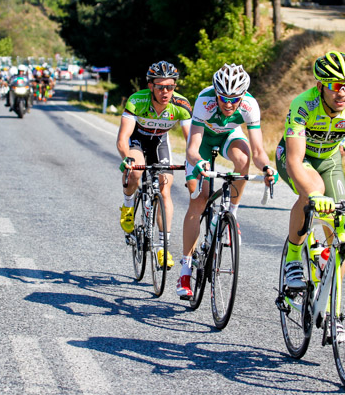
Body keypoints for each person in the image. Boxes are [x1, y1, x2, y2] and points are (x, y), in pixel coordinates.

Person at [276, 51, 345, 294]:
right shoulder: (303, 104)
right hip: (297, 157)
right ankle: (293, 258)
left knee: (341, 219)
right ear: (320, 85)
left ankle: (330, 306)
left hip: (330, 160)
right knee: (313, 191)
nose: (342, 92)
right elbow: (294, 160)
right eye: (335, 86)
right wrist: (312, 195)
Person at [177, 64, 276, 297]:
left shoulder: (250, 105)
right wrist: (199, 163)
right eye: (224, 98)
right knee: (198, 201)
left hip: (228, 135)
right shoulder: (205, 100)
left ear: (243, 96)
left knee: (244, 158)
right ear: (216, 93)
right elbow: (192, 148)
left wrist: (267, 167)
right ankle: (185, 269)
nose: (229, 104)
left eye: (235, 99)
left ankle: (232, 212)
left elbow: (259, 151)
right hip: (202, 140)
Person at [118, 61, 192, 270]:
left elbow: (191, 142)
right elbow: (123, 138)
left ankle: (162, 246)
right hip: (137, 141)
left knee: (165, 188)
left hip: (160, 143)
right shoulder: (137, 101)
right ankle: (128, 205)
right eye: (160, 87)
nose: (166, 91)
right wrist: (126, 158)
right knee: (135, 172)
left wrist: (194, 163)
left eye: (170, 86)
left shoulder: (181, 105)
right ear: (151, 86)